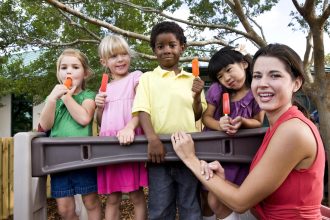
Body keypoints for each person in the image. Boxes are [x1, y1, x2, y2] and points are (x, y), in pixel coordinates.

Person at [171, 43, 325, 219]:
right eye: (258, 76)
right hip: (261, 213)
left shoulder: (293, 131)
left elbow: (240, 202)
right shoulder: (280, 126)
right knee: (214, 201)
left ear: (296, 83)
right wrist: (220, 179)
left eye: (275, 75)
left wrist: (190, 159)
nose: (263, 84)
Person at [132, 21, 207, 219]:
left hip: (188, 152)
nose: (166, 50)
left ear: (182, 47)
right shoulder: (147, 78)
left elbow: (197, 115)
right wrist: (153, 139)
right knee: (160, 208)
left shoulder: (193, 79)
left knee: (190, 207)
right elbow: (142, 110)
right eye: (160, 46)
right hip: (159, 153)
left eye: (172, 45)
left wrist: (198, 96)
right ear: (154, 50)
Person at [201, 46, 264, 219]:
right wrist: (219, 124)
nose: (226, 78)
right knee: (209, 195)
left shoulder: (255, 92)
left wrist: (243, 122)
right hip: (214, 152)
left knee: (233, 194)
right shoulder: (217, 90)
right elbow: (206, 118)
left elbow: (258, 121)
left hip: (240, 155)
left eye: (229, 70)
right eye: (220, 76)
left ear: (243, 64)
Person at [39, 48, 102, 220]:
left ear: (85, 73)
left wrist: (67, 97)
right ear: (58, 72)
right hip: (58, 160)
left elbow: (84, 118)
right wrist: (52, 99)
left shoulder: (88, 96)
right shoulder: (53, 98)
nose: (68, 71)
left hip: (83, 158)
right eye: (63, 67)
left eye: (75, 67)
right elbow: (45, 125)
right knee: (65, 210)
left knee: (91, 202)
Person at [95, 35, 148, 220]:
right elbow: (100, 121)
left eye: (124, 54)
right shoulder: (104, 89)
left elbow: (142, 106)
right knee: (112, 198)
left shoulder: (136, 77)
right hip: (109, 146)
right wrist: (99, 106)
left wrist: (130, 127)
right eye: (113, 56)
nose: (120, 59)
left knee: (136, 194)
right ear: (104, 62)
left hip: (130, 142)